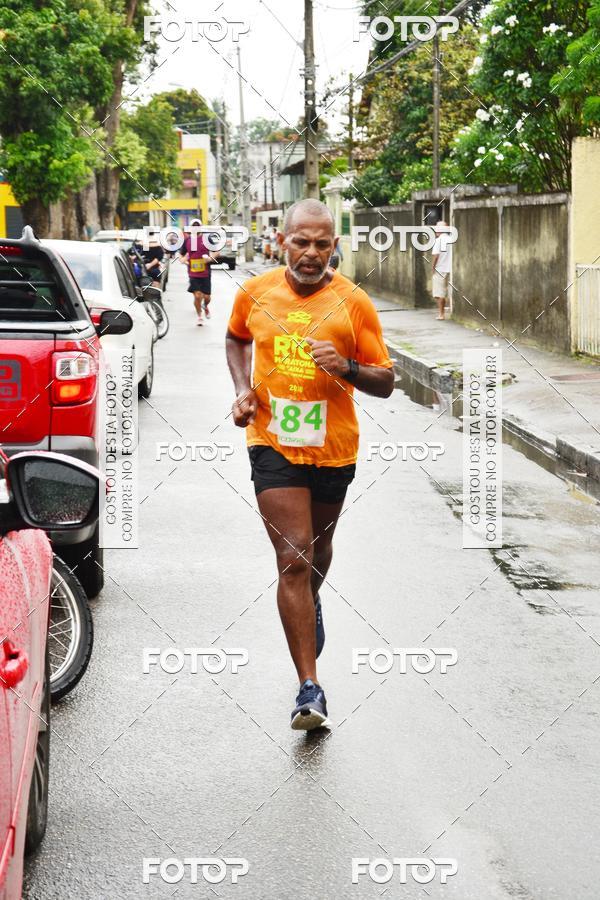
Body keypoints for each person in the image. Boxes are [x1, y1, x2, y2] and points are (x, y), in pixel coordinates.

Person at [225, 198, 394, 730]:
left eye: (323, 244)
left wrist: (345, 367)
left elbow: (387, 381)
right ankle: (310, 688)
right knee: (294, 556)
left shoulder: (353, 303)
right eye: (302, 241)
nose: (311, 253)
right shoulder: (255, 292)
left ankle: (308, 602)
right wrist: (243, 390)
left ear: (334, 247)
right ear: (283, 241)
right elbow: (236, 339)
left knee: (317, 550)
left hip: (334, 447)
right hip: (270, 441)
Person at [179, 217, 219, 326]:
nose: (196, 228)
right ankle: (200, 316)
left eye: (198, 226)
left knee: (206, 297)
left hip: (205, 272)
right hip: (193, 273)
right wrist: (183, 260)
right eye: (194, 226)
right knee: (197, 295)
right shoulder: (187, 241)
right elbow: (181, 255)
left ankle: (205, 306)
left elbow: (216, 251)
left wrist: (210, 258)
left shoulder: (206, 239)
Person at [431, 220, 452, 320]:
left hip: (440, 269)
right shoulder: (451, 239)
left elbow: (436, 256)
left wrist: (433, 267)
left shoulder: (438, 240)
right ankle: (446, 310)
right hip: (450, 269)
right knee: (445, 292)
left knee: (439, 293)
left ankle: (441, 314)